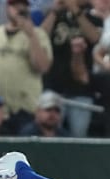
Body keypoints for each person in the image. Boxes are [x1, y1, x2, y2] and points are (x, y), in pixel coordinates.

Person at [0, 0, 53, 134]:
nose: (19, 9)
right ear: (7, 8)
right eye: (14, 6)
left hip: (26, 108)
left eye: (22, 6)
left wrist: (31, 35)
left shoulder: (38, 34)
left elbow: (42, 67)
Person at [40, 0, 103, 138]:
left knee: (78, 136)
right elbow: (40, 37)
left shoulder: (94, 18)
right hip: (53, 85)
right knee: (50, 133)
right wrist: (54, 11)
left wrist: (75, 10)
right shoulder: (54, 16)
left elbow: (95, 37)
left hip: (81, 88)